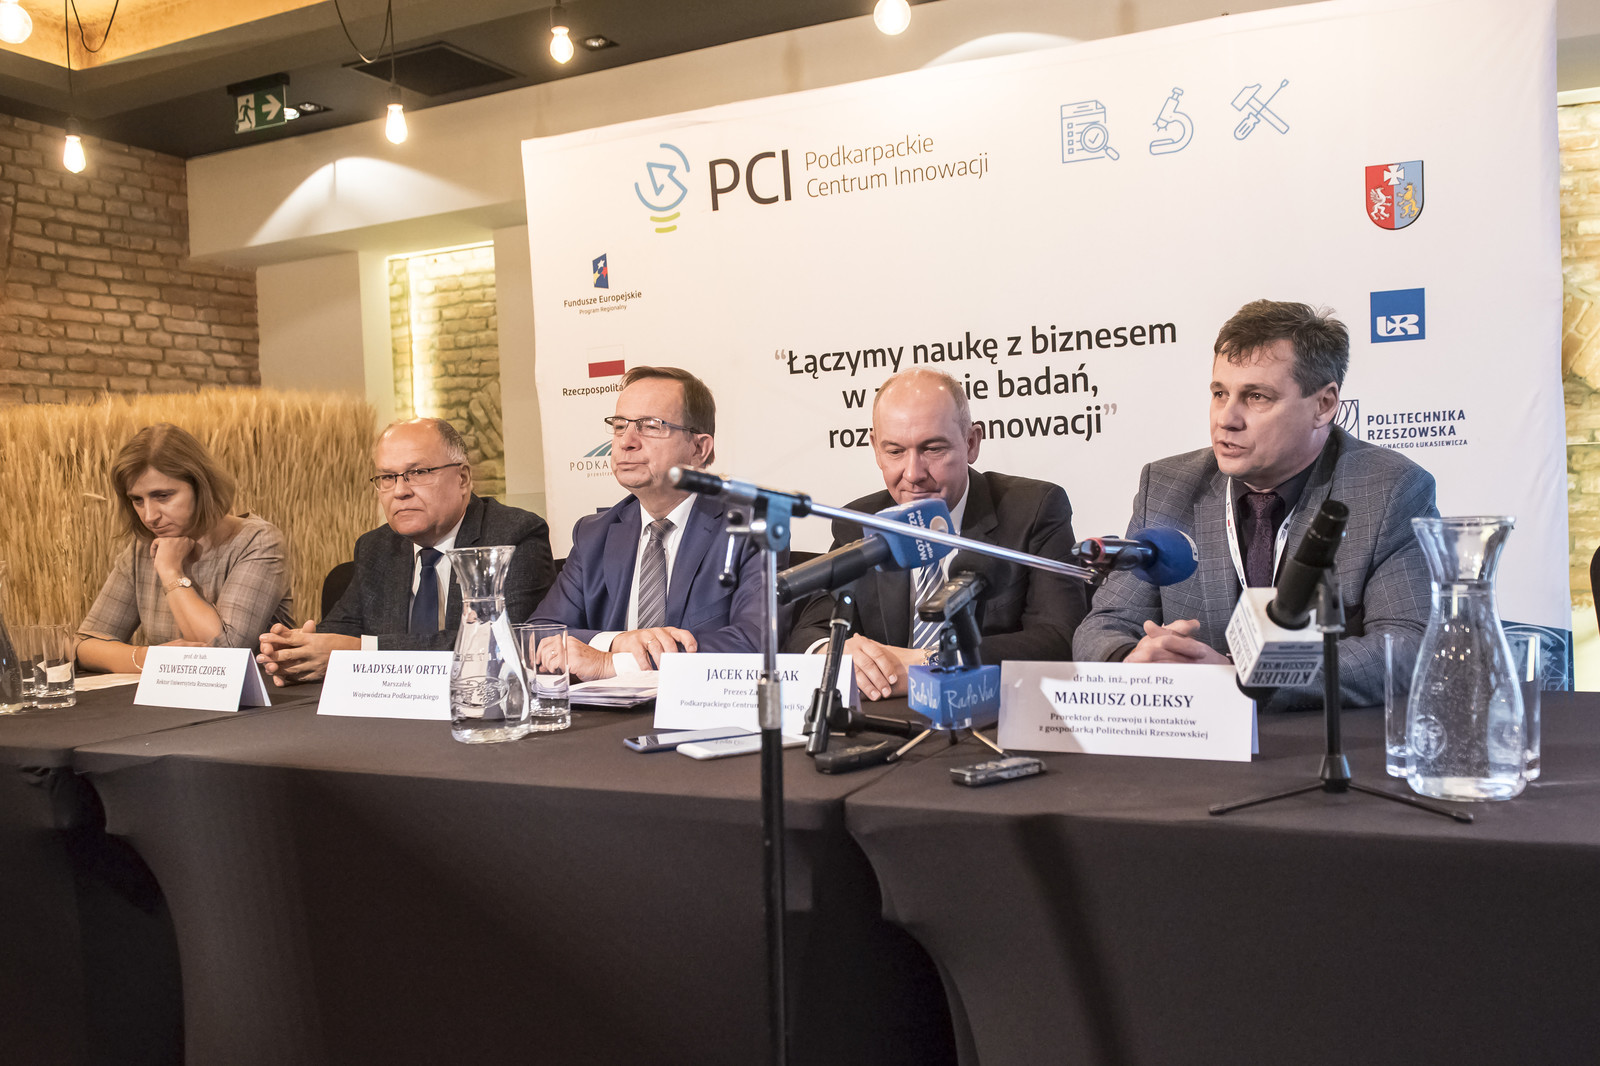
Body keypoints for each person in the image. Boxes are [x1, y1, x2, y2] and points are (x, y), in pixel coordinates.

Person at [1073, 299, 1438, 711]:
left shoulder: (1387, 489)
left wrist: (1241, 678)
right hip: (1192, 736)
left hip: (1306, 738)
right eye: (1219, 393)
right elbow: (1105, 624)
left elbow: (1407, 645)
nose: (1226, 419)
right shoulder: (1167, 486)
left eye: (1257, 396)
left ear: (1323, 405)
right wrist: (1133, 660)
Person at [785, 367, 1088, 701]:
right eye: (895, 451)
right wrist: (835, 653)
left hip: (991, 712)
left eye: (932, 449)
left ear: (971, 443)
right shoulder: (859, 521)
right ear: (875, 448)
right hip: (885, 716)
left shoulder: (1033, 509)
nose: (913, 474)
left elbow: (1059, 638)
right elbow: (809, 631)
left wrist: (929, 662)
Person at [256, 417, 553, 685]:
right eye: (387, 477)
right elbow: (342, 630)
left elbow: (504, 644)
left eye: (418, 472)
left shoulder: (512, 536)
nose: (400, 491)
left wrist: (364, 651)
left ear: (462, 478)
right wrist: (296, 650)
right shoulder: (376, 547)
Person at [528, 366, 766, 681]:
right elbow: (537, 635)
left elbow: (755, 643)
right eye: (619, 426)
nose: (626, 442)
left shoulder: (748, 528)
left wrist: (613, 664)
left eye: (651, 426)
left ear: (698, 449)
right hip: (601, 711)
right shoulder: (594, 534)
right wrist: (615, 642)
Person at [77, 423, 295, 672]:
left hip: (252, 696)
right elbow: (84, 644)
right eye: (137, 500)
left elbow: (224, 655)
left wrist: (171, 571)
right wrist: (150, 658)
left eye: (163, 496)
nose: (149, 516)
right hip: (172, 693)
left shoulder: (257, 541)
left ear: (201, 487)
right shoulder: (142, 549)